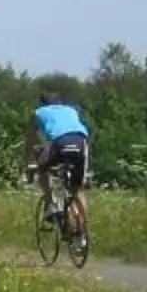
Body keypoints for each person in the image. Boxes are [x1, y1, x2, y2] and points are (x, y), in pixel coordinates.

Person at [28, 91, 90, 225]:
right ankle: (83, 232)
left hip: (59, 142)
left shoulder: (39, 112)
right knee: (77, 190)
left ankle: (50, 203)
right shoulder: (71, 110)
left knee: (42, 167)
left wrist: (28, 163)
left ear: (42, 103)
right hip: (81, 141)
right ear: (61, 103)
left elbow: (30, 141)